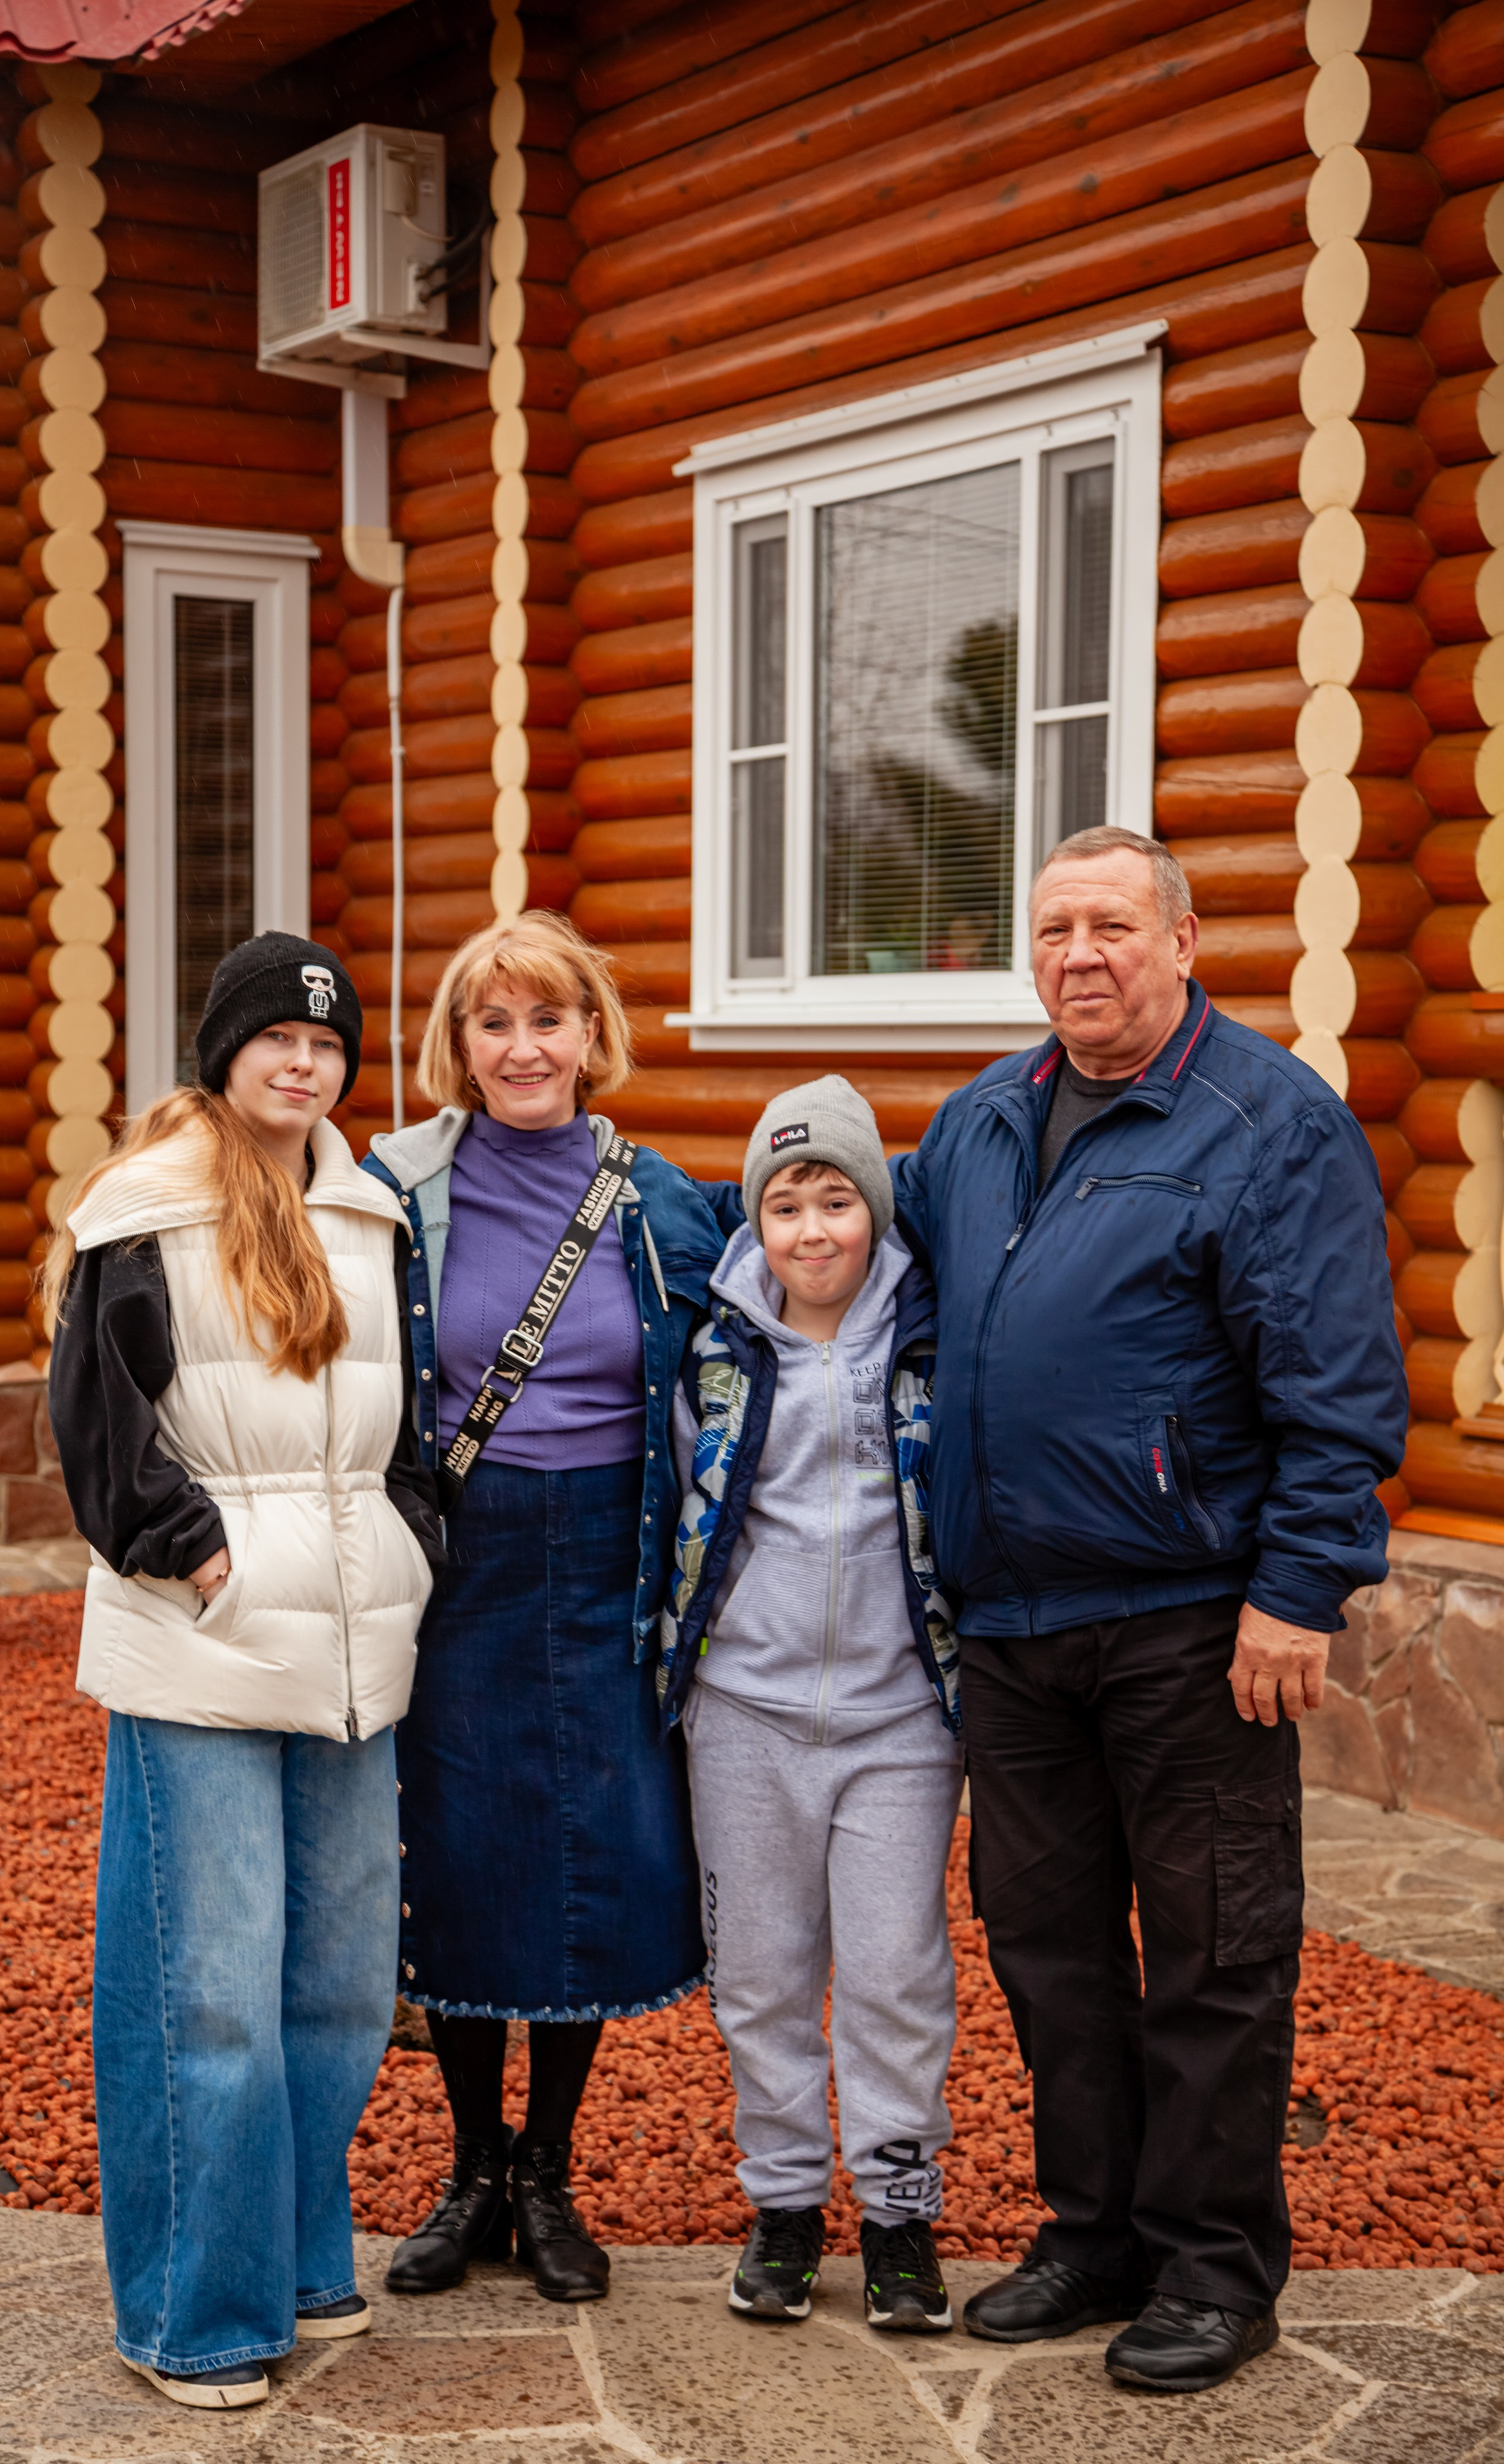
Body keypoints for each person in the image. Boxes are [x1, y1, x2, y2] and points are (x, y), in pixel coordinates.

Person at [891, 826, 1406, 2394]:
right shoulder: (980, 1122)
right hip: (1012, 1627)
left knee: (1211, 1953)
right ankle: (1092, 2231)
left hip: (1194, 1620)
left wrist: (1294, 1593)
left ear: (1183, 943)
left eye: (1113, 925)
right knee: (1045, 1950)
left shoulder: (1269, 1126)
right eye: (1053, 930)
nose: (1079, 956)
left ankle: (1211, 2265)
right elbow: (856, 1257)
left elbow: (1337, 1391)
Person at [44, 933, 442, 2411]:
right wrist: (193, 1554)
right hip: (202, 1647)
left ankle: (293, 2255)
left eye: (327, 1045)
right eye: (275, 1037)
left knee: (335, 1990)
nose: (303, 1063)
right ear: (223, 1053)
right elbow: (99, 1426)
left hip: (353, 1654)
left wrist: (410, 1542)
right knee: (204, 1997)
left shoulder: (368, 1208)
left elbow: (403, 1423)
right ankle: (196, 2315)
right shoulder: (146, 1207)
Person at [364, 912, 727, 2304]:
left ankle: (550, 2172)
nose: (522, 1047)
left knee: (594, 1854)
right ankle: (468, 2170)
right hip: (461, 1561)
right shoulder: (395, 1192)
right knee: (458, 1854)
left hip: (612, 1562)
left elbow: (750, 1356)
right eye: (492, 1022)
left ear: (591, 1035)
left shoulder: (660, 1204)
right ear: (458, 1044)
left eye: (547, 1019)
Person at [660, 1077, 964, 2332]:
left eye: (836, 1199)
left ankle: (897, 2211)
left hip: (898, 1722)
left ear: (873, 1214)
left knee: (895, 1972)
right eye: (784, 1204)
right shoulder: (718, 1353)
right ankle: (784, 2205)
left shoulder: (931, 1345)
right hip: (745, 1714)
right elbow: (675, 1511)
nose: (812, 1230)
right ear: (756, 1220)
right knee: (761, 1978)